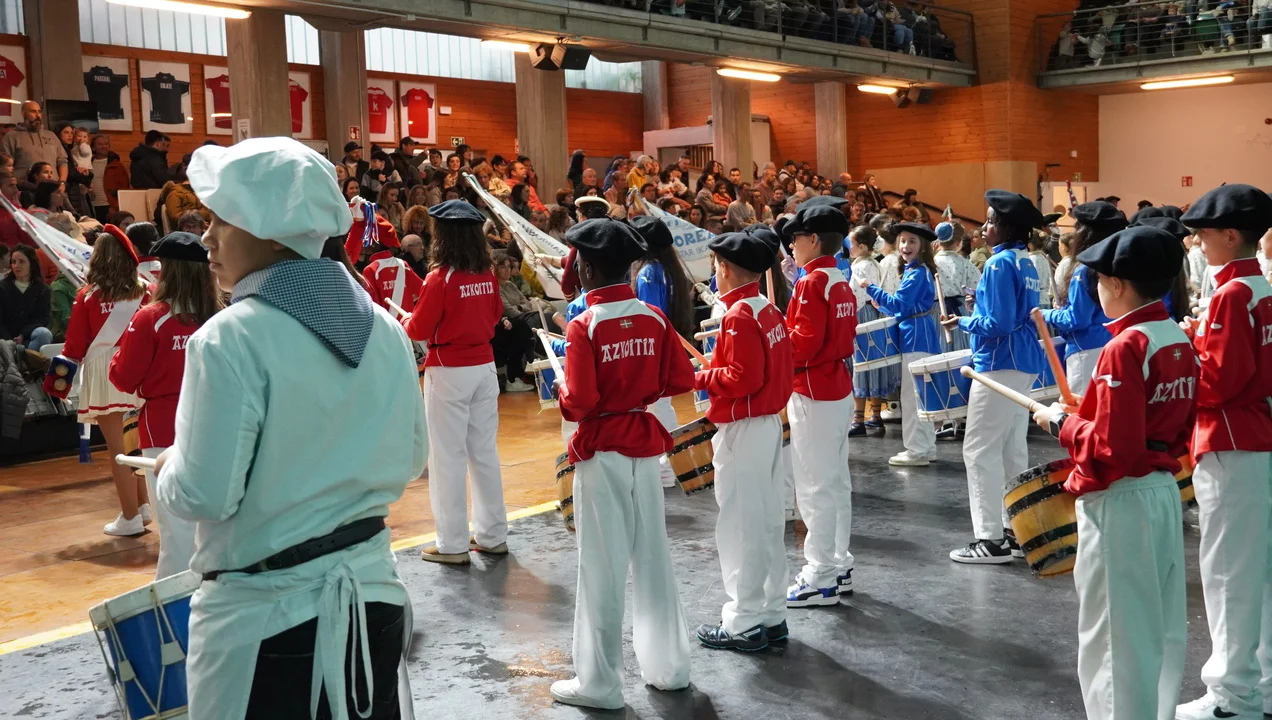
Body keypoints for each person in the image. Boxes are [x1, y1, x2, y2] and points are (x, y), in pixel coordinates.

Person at [153, 136, 425, 718]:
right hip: (373, 598)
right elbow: (410, 458)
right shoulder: (385, 329)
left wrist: (168, 466)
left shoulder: (229, 338)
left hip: (265, 621)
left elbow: (203, 494)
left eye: (224, 220)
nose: (207, 238)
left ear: (275, 233)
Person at [1031, 225, 1194, 720]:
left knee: (1113, 638)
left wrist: (1062, 424)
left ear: (1118, 284)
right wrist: (1092, 409)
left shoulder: (1125, 346)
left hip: (1121, 499)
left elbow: (1112, 448)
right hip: (1162, 490)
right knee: (1158, 626)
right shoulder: (1176, 336)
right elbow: (1168, 421)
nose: (1097, 290)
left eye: (1099, 281)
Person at [550, 217, 693, 710]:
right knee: (653, 558)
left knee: (601, 566)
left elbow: (581, 402)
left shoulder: (584, 324)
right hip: (644, 446)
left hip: (603, 449)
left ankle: (600, 683)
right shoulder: (653, 317)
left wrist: (562, 388)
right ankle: (669, 667)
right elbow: (681, 380)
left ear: (587, 269)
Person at [1174, 184, 1272, 720]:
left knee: (1230, 573)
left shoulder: (1233, 294)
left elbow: (1219, 383)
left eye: (1204, 234)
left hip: (1231, 439)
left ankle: (1232, 697)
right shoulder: (1260, 289)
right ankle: (1262, 686)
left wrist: (1186, 355)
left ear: (1230, 235)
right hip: (1258, 436)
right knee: (1261, 571)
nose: (1199, 243)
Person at [692, 231, 794, 652]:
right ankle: (771, 613)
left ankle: (743, 621)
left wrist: (701, 377)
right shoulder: (767, 309)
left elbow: (742, 379)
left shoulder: (738, 316)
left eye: (715, 266)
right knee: (766, 522)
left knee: (740, 525)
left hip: (744, 426)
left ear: (725, 269)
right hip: (767, 424)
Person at [108, 231, 222, 579]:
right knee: (217, 524)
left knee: (176, 531)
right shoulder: (223, 315)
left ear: (167, 270)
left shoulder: (151, 317)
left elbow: (124, 377)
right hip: (221, 422)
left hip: (164, 426)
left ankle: (175, 603)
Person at [402, 200, 508, 564]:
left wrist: (406, 320)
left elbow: (418, 328)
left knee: (447, 457)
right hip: (484, 367)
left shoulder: (439, 278)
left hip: (449, 370)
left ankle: (451, 544)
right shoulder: (487, 274)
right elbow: (494, 317)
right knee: (484, 453)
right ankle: (493, 535)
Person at [941, 190, 1044, 564]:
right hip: (1024, 360)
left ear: (1005, 227)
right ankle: (1014, 529)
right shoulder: (1026, 262)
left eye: (989, 221)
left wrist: (964, 320)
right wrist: (978, 307)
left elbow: (998, 324)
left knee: (980, 448)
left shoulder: (999, 265)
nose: (983, 228)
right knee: (1011, 448)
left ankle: (990, 539)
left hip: (999, 361)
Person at [781, 203, 858, 606]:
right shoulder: (839, 278)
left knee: (814, 485)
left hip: (813, 388)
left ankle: (820, 574)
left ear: (812, 239)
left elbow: (803, 344)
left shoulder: (811, 282)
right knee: (835, 481)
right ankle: (838, 562)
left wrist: (774, 346)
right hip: (836, 386)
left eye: (795, 239)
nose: (791, 247)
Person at [62, 225, 149, 536]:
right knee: (135, 442)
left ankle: (130, 517)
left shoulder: (87, 296)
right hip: (139, 368)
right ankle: (142, 505)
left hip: (104, 372)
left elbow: (74, 345)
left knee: (118, 450)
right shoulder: (144, 290)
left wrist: (58, 379)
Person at [862, 222, 942, 466]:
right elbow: (903, 307)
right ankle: (926, 447)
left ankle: (916, 450)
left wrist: (871, 289)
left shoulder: (916, 273)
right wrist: (884, 305)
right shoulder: (919, 270)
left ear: (923, 246)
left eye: (912, 241)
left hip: (916, 339)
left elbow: (900, 305)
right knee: (921, 396)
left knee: (912, 397)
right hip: (922, 335)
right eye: (903, 240)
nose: (906, 245)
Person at [629, 215, 696, 488]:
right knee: (662, 406)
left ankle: (665, 465)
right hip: (666, 346)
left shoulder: (647, 274)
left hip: (653, 349)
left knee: (655, 407)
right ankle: (669, 463)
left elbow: (649, 318)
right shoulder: (669, 271)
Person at [1043, 201, 1124, 398]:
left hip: (1086, 351)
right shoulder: (1120, 266)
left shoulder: (1084, 271)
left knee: (1082, 412)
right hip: (1116, 345)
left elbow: (1077, 319)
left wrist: (1046, 314)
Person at [846, 225, 892, 437]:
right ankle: (876, 415)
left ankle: (858, 419)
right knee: (874, 363)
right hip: (875, 313)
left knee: (861, 364)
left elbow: (854, 295)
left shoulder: (859, 267)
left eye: (852, 244)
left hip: (862, 314)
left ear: (863, 246)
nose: (849, 247)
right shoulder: (876, 264)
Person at [0, 101, 67, 184]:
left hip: (52, 186)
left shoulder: (51, 136)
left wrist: (62, 182)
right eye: (33, 111)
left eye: (39, 111)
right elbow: (5, 165)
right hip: (24, 187)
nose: (37, 115)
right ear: (23, 114)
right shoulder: (12, 136)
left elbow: (62, 161)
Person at [0, 244, 51, 350]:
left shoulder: (42, 289)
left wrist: (23, 334)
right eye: (13, 262)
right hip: (4, 341)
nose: (16, 265)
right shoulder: (2, 287)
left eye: (21, 262)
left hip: (28, 338)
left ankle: (32, 359)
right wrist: (9, 340)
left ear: (31, 264)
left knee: (44, 333)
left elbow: (42, 318)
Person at [90, 134, 131, 221]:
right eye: (100, 144)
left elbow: (124, 188)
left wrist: (115, 207)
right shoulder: (88, 163)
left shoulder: (117, 165)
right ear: (93, 147)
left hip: (108, 207)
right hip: (91, 206)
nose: (104, 146)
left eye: (106, 144)